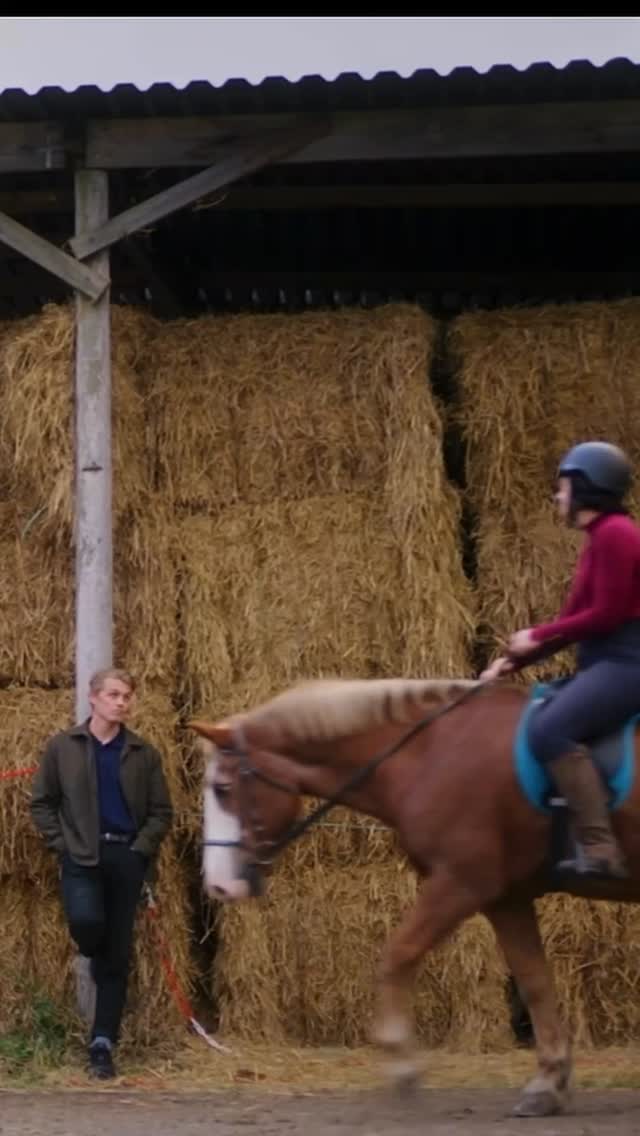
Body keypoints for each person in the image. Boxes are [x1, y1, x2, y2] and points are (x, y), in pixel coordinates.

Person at [481, 440, 640, 881]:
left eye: (564, 487)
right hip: (608, 660)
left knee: (551, 728)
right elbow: (574, 620)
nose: (558, 496)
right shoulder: (598, 540)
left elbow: (607, 614)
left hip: (629, 662)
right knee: (540, 713)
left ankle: (598, 846)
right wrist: (513, 662)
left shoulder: (617, 535)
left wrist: (538, 635)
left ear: (588, 487)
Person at [31, 667, 173, 1079]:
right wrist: (62, 844)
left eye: (127, 696)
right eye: (113, 694)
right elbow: (42, 803)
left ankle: (102, 1043)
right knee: (87, 922)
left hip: (126, 856)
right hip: (81, 857)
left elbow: (162, 812)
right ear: (93, 698)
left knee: (118, 954)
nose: (122, 702)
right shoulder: (64, 747)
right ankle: (95, 955)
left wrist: (140, 849)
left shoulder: (144, 754)